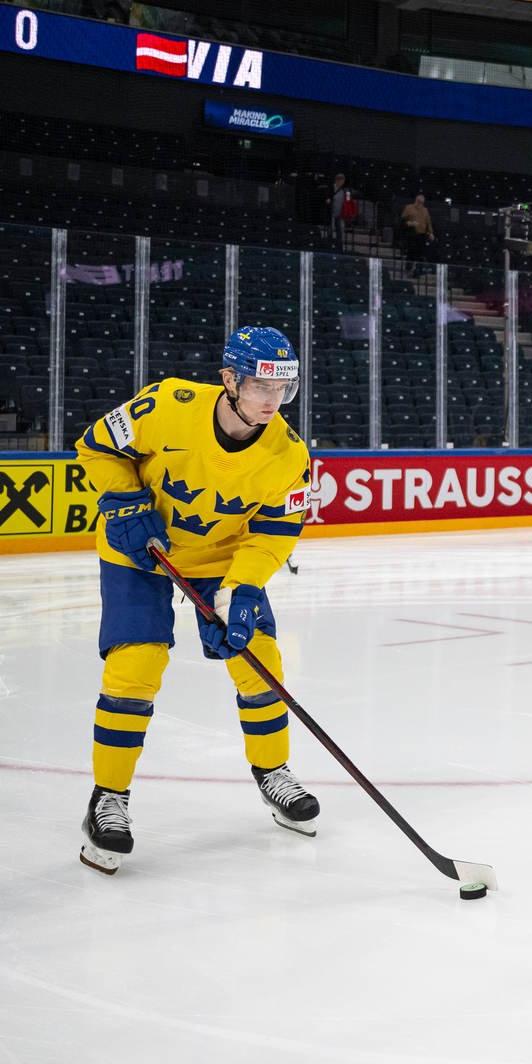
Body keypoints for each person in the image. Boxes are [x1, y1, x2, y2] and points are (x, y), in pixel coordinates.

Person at [75, 326, 315, 874]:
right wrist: (124, 499)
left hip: (220, 561)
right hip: (140, 550)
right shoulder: (167, 404)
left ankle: (272, 772)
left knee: (261, 660)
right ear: (229, 379)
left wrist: (246, 587)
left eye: (284, 391)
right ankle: (108, 799)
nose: (273, 403)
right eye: (261, 387)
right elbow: (97, 445)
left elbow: (275, 531)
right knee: (137, 663)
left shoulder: (288, 453)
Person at [399, 193, 435, 269]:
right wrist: (410, 223)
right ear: (416, 200)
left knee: (421, 254)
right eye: (419, 202)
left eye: (422, 202)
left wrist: (431, 233)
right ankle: (408, 268)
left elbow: (428, 223)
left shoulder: (425, 210)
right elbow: (402, 221)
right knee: (411, 253)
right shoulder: (409, 208)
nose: (420, 204)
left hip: (421, 235)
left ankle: (418, 270)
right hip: (411, 234)